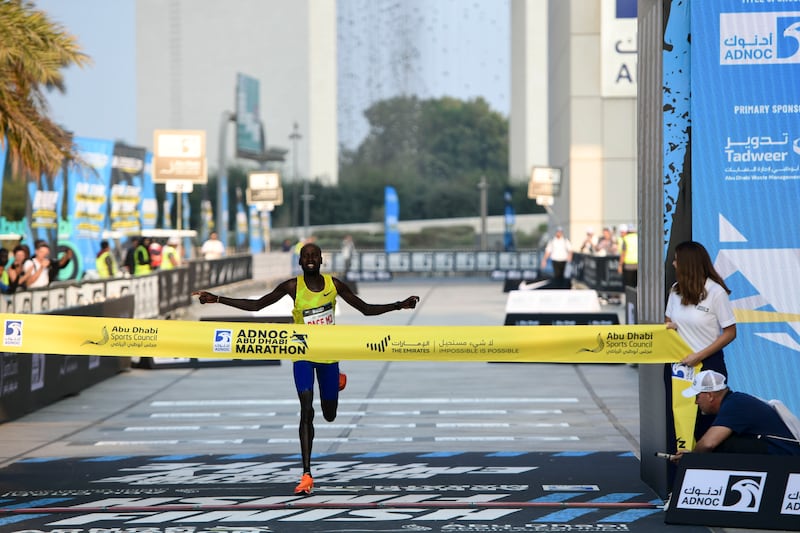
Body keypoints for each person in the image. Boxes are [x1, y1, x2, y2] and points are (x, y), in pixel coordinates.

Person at [193, 242, 420, 495]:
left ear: (321, 260)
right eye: (305, 256)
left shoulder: (334, 285)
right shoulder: (292, 287)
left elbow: (366, 309)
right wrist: (217, 299)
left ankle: (336, 381)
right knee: (305, 408)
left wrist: (399, 304)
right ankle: (307, 473)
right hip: (301, 354)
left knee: (330, 413)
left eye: (314, 255)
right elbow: (257, 305)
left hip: (328, 354)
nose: (310, 259)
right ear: (300, 262)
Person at [665, 240, 736, 443]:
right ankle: (679, 467)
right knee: (679, 420)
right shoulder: (676, 290)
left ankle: (709, 468)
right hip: (679, 368)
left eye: (677, 260)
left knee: (706, 423)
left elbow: (730, 332)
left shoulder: (716, 293)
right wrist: (670, 328)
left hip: (708, 364)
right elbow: (669, 321)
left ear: (688, 264)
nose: (673, 264)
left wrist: (699, 356)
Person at [673, 370, 800, 457]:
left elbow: (708, 443)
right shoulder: (735, 400)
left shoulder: (734, 404)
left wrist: (690, 460)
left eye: (697, 396)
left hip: (785, 456)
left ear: (710, 395)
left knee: (722, 446)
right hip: (782, 453)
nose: (696, 402)